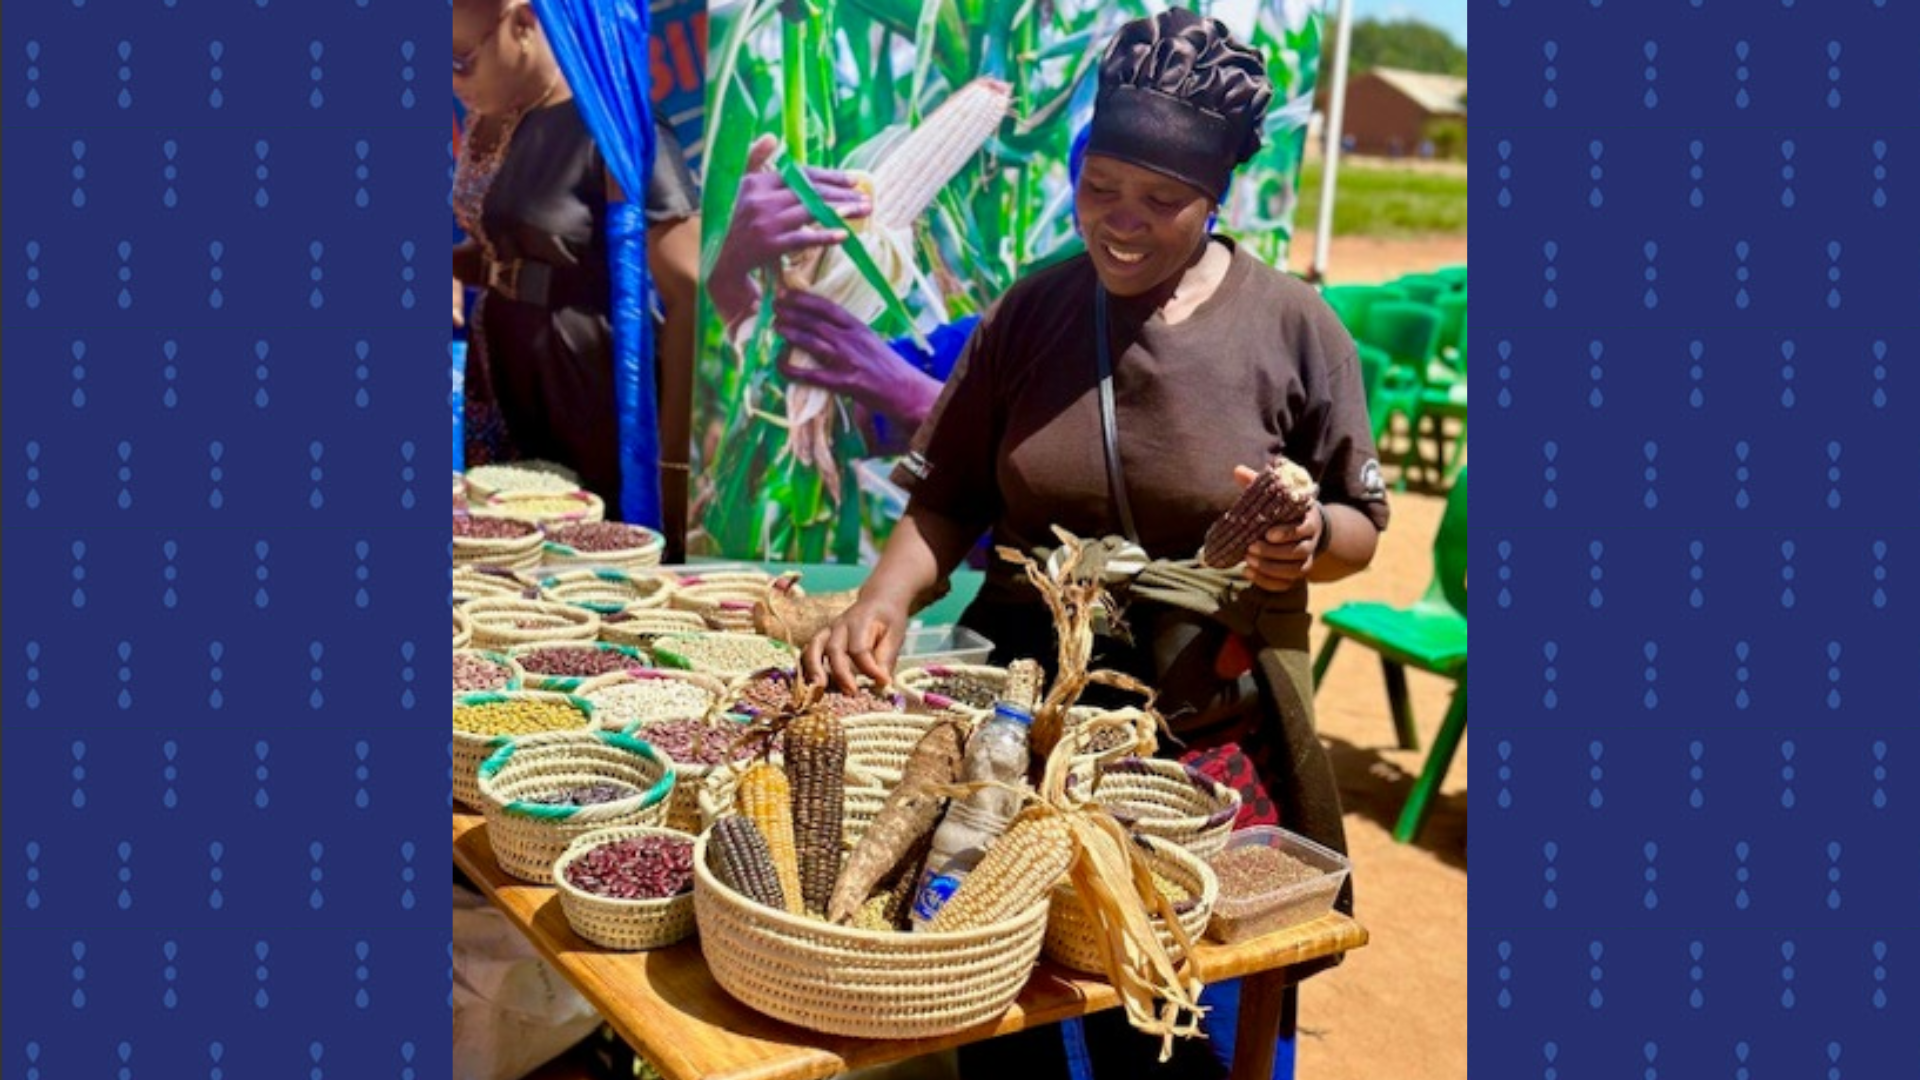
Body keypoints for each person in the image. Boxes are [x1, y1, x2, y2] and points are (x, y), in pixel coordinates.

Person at [803, 10, 1389, 1078]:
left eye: (1161, 202)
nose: (1121, 224)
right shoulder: (1032, 313)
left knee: (1174, 1015)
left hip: (1196, 734)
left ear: (1215, 200)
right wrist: (882, 603)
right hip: (1022, 730)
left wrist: (1304, 537)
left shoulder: (1294, 328)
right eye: (1100, 189)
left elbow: (1360, 525)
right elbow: (948, 503)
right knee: (1005, 1003)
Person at [452, 0, 702, 541]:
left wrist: (672, 472)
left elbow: (691, 292)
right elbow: (507, 250)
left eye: (460, 61)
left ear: (523, 22)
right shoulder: (499, 118)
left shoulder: (614, 126)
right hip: (504, 389)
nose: (453, 85)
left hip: (585, 397)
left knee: (593, 569)